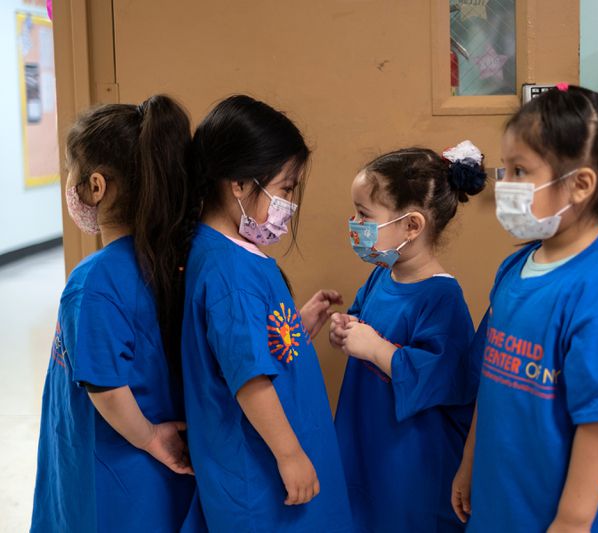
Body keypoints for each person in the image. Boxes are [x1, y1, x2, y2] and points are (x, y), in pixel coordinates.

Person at [452, 85, 598, 532]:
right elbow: (493, 381)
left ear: (580, 184)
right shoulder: (515, 267)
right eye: (504, 167)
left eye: (520, 170)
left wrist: (571, 521)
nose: (504, 183)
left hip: (575, 516)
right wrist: (470, 461)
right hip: (507, 503)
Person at [180, 95, 352, 532]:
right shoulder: (230, 271)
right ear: (238, 183)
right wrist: (290, 455)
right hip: (263, 480)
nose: (289, 204)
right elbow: (248, 377)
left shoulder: (227, 254)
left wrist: (293, 328)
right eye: (286, 188)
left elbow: (245, 346)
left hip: (269, 467)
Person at [31, 95, 197, 532]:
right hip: (152, 480)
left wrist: (147, 437)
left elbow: (104, 385)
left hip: (115, 470)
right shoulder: (167, 260)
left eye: (72, 170)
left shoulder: (94, 281)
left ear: (96, 186)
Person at [331, 142, 485, 532]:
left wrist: (377, 348)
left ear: (411, 226)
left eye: (364, 215)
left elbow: (444, 377)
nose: (354, 223)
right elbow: (362, 322)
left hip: (411, 458)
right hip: (368, 434)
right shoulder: (383, 273)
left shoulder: (441, 296)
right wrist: (345, 329)